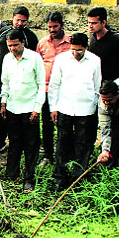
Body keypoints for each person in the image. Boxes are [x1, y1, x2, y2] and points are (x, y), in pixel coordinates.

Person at [48, 33, 102, 191]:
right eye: (73, 50)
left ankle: (78, 179)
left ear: (86, 48)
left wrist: (94, 106)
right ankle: (59, 178)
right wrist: (54, 107)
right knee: (62, 143)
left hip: (86, 110)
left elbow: (97, 86)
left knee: (82, 144)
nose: (75, 53)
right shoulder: (62, 60)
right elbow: (54, 85)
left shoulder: (94, 61)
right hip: (65, 108)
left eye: (79, 50)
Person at [0, 29, 45, 193]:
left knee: (31, 145)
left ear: (23, 43)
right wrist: (3, 102)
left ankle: (29, 178)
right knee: (14, 142)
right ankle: (11, 174)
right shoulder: (7, 59)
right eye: (9, 45)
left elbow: (41, 85)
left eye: (15, 45)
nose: (12, 48)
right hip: (12, 107)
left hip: (29, 109)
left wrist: (37, 108)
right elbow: (5, 83)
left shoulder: (34, 59)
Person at [0, 6, 38, 153]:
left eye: (23, 21)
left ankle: (18, 143)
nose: (20, 23)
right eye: (18, 20)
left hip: (20, 83)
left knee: (17, 114)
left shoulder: (30, 37)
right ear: (12, 17)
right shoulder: (3, 32)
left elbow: (33, 60)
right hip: (0, 80)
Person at [36, 11, 72, 163]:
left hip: (65, 90)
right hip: (46, 90)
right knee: (47, 123)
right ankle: (48, 154)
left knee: (65, 123)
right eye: (50, 27)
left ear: (62, 25)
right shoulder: (43, 43)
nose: (52, 30)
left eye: (55, 26)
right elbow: (37, 65)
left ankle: (65, 154)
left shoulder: (71, 42)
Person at [88, 7, 119, 82]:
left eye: (94, 23)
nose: (90, 26)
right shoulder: (92, 36)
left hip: (110, 83)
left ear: (103, 23)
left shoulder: (115, 39)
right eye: (89, 23)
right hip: (94, 81)